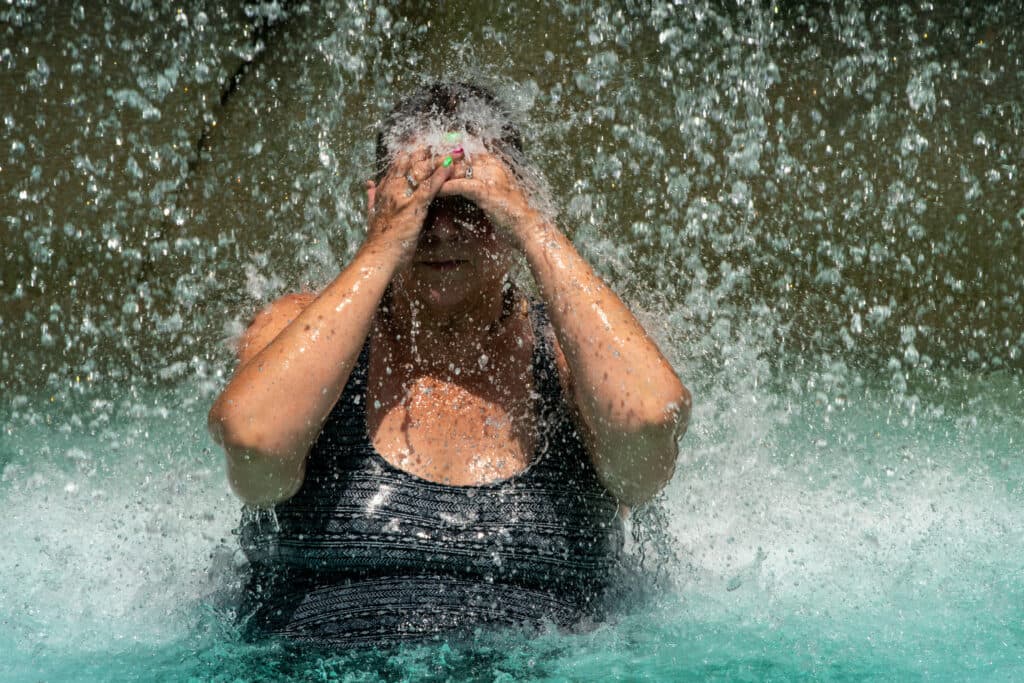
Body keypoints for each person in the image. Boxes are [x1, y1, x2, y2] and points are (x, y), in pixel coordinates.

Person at [208, 82, 690, 647]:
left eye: (470, 204)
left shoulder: (571, 352)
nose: (440, 229)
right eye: (420, 200)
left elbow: (649, 434)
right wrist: (384, 245)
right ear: (378, 202)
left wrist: (533, 228)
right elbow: (253, 443)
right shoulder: (299, 328)